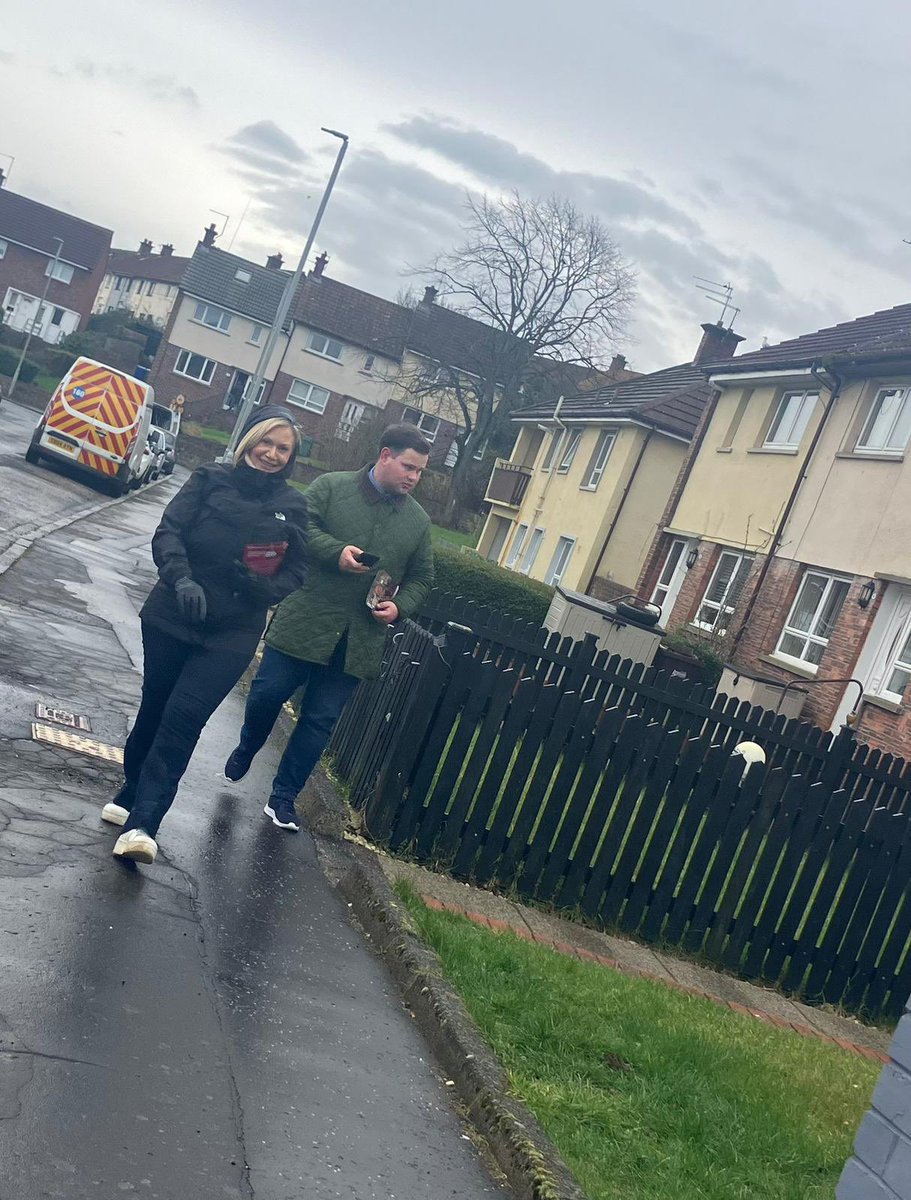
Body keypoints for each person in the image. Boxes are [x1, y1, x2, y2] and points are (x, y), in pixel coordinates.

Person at [103, 406, 309, 864]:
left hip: (231, 634)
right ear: (248, 440)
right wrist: (181, 580)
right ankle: (132, 788)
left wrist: (264, 588)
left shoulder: (293, 506)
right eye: (266, 442)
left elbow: (297, 569)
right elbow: (169, 531)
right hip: (173, 615)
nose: (272, 454)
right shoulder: (209, 479)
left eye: (283, 448)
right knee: (155, 707)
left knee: (183, 719)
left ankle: (144, 825)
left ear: (291, 457)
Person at [223, 423, 435, 830]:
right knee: (267, 694)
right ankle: (248, 745)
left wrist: (399, 607)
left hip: (359, 638)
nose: (414, 477)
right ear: (385, 456)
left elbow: (423, 576)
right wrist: (336, 553)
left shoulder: (418, 522)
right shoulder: (331, 486)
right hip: (306, 617)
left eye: (420, 471)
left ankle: (283, 798)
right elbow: (299, 529)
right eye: (409, 466)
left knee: (319, 720)